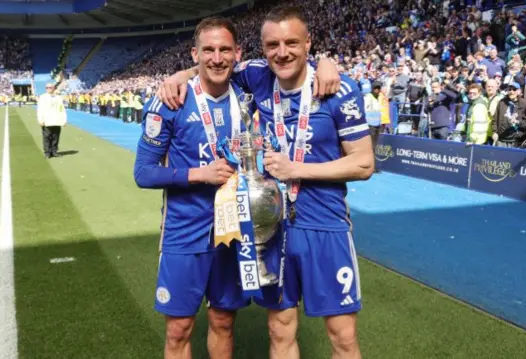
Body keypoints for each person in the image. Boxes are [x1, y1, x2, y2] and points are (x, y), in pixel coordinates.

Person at [157, 6, 372, 359]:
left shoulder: (338, 89)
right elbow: (213, 67)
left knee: (343, 337)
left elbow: (364, 163)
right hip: (274, 228)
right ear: (262, 48)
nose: (282, 52)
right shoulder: (256, 76)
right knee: (279, 329)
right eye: (272, 44)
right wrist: (179, 75)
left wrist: (296, 170)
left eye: (292, 42)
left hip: (326, 225)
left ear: (308, 44)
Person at [133, 17, 250, 359]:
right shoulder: (170, 102)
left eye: (225, 49)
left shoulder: (249, 97)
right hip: (184, 231)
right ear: (194, 54)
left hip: (233, 230)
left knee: (224, 320)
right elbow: (144, 173)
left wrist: (327, 61)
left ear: (237, 53)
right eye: (208, 50)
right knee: (179, 329)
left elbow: (296, 61)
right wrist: (201, 175)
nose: (217, 58)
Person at [491, 82, 526, 148]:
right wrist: (495, 132)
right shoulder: (502, 102)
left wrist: (518, 122)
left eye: (514, 89)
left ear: (519, 91)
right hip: (501, 139)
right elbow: (495, 119)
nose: (511, 92)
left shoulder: (525, 104)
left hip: (516, 140)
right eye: (509, 89)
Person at [37, 82, 67, 159]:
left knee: (56, 137)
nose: (48, 89)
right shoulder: (43, 97)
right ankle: (47, 153)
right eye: (47, 87)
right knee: (47, 137)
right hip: (47, 121)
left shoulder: (58, 98)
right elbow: (40, 109)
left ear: (54, 88)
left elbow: (62, 109)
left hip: (57, 121)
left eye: (50, 87)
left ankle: (54, 151)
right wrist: (40, 119)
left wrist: (64, 119)